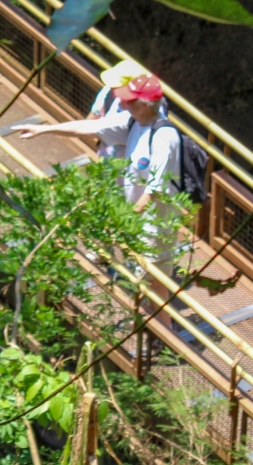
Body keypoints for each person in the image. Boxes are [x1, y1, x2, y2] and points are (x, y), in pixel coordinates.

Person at [14, 74, 198, 330]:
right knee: (147, 284)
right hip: (136, 221)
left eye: (130, 101)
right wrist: (44, 129)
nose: (124, 104)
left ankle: (164, 338)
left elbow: (155, 187)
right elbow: (90, 128)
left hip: (155, 224)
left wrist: (128, 218)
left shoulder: (165, 137)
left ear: (145, 104)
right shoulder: (132, 122)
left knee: (153, 285)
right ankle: (155, 332)